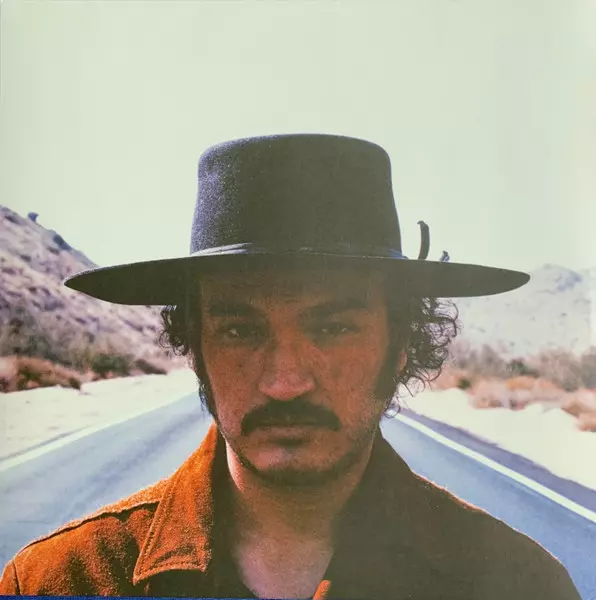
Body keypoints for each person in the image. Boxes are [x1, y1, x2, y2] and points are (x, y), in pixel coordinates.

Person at [0, 135, 581, 599]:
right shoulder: (61, 580)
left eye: (333, 329)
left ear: (400, 344)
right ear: (196, 349)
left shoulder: (518, 585)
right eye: (240, 330)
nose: (285, 382)